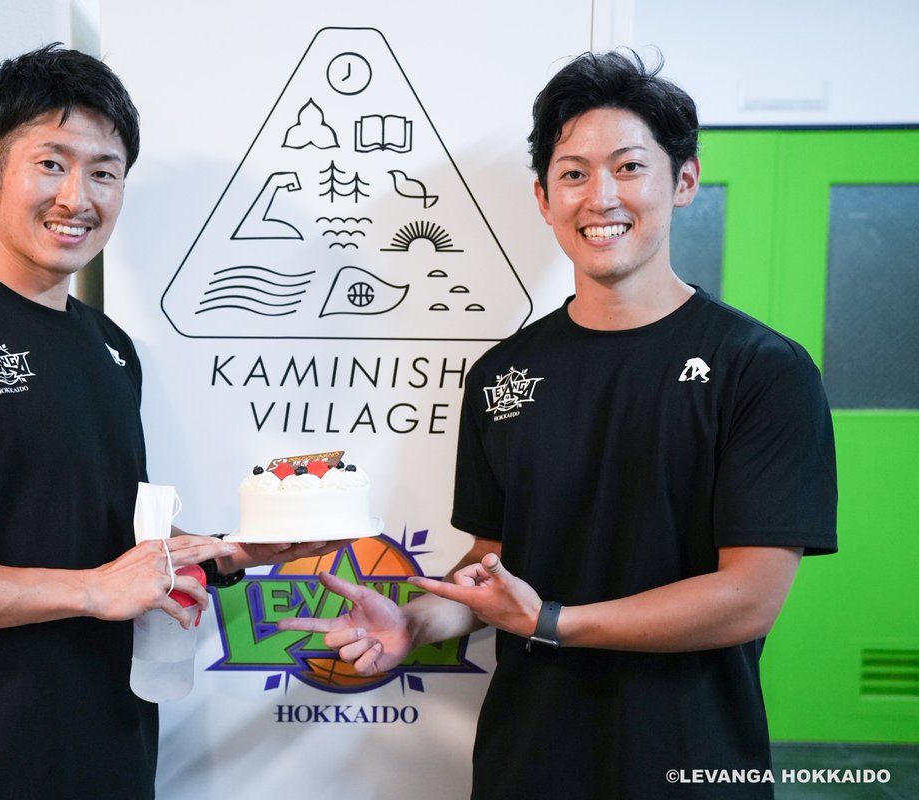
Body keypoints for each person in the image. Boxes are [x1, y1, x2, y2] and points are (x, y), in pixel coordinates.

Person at [279, 49, 838, 799]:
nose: (600, 197)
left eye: (629, 167)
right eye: (574, 174)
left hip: (691, 762)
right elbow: (494, 561)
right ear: (544, 199)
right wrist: (417, 623)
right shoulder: (502, 373)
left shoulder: (761, 369)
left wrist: (552, 621)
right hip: (527, 763)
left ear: (684, 181)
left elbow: (748, 598)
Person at [0, 44, 341, 799]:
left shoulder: (109, 346)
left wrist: (234, 552)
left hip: (108, 748)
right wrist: (90, 591)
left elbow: (98, 539)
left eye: (104, 172)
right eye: (51, 164)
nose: (78, 197)